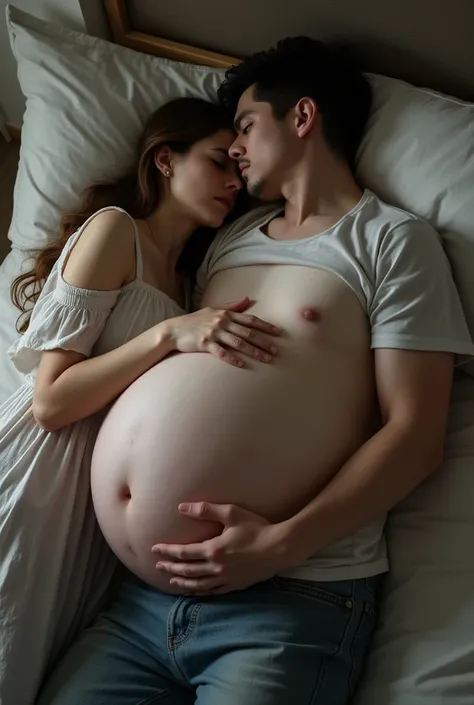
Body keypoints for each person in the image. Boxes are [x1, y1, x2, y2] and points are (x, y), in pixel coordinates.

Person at [37, 38, 474, 705]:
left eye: (244, 126)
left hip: (290, 597)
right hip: (138, 603)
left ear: (302, 117)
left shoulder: (392, 240)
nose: (235, 151)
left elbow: (415, 433)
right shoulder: (225, 240)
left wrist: (277, 544)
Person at [0, 97, 282, 705]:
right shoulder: (114, 230)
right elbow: (50, 401)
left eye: (239, 168)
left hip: (89, 525)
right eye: (217, 163)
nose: (235, 181)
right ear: (163, 160)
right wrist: (167, 335)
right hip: (37, 476)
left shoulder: (188, 285)